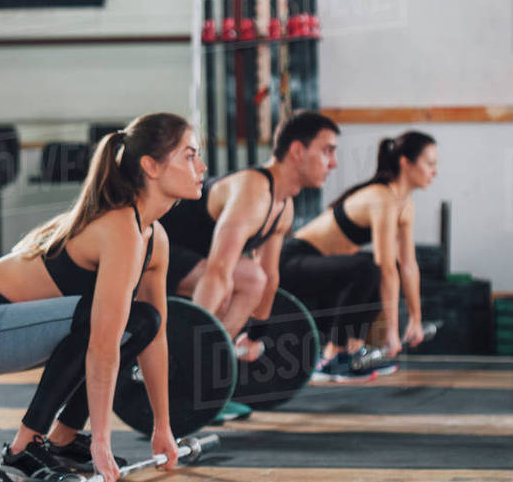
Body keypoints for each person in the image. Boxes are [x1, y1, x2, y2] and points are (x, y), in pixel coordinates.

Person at [0, 113, 205, 482]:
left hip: (4, 325)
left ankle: (61, 439)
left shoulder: (154, 237)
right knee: (104, 325)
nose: (202, 167)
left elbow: (152, 336)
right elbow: (103, 345)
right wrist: (102, 441)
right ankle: (21, 452)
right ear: (151, 166)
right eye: (190, 155)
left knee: (144, 321)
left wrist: (163, 426)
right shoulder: (120, 228)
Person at [157, 110, 340, 370]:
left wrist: (255, 336)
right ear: (297, 151)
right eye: (327, 151)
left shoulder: (283, 207)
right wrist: (189, 350)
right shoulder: (253, 191)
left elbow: (269, 275)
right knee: (236, 280)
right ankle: (186, 363)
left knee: (255, 278)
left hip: (188, 262)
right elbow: (217, 273)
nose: (333, 163)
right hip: (150, 251)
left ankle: (210, 370)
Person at [280, 131, 438, 380]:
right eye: (429, 164)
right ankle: (332, 357)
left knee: (379, 268)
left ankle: (352, 350)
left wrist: (416, 320)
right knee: (371, 268)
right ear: (406, 163)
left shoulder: (404, 204)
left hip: (325, 273)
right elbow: (384, 268)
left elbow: (408, 265)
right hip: (291, 263)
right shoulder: (382, 198)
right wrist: (392, 333)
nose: (435, 171)